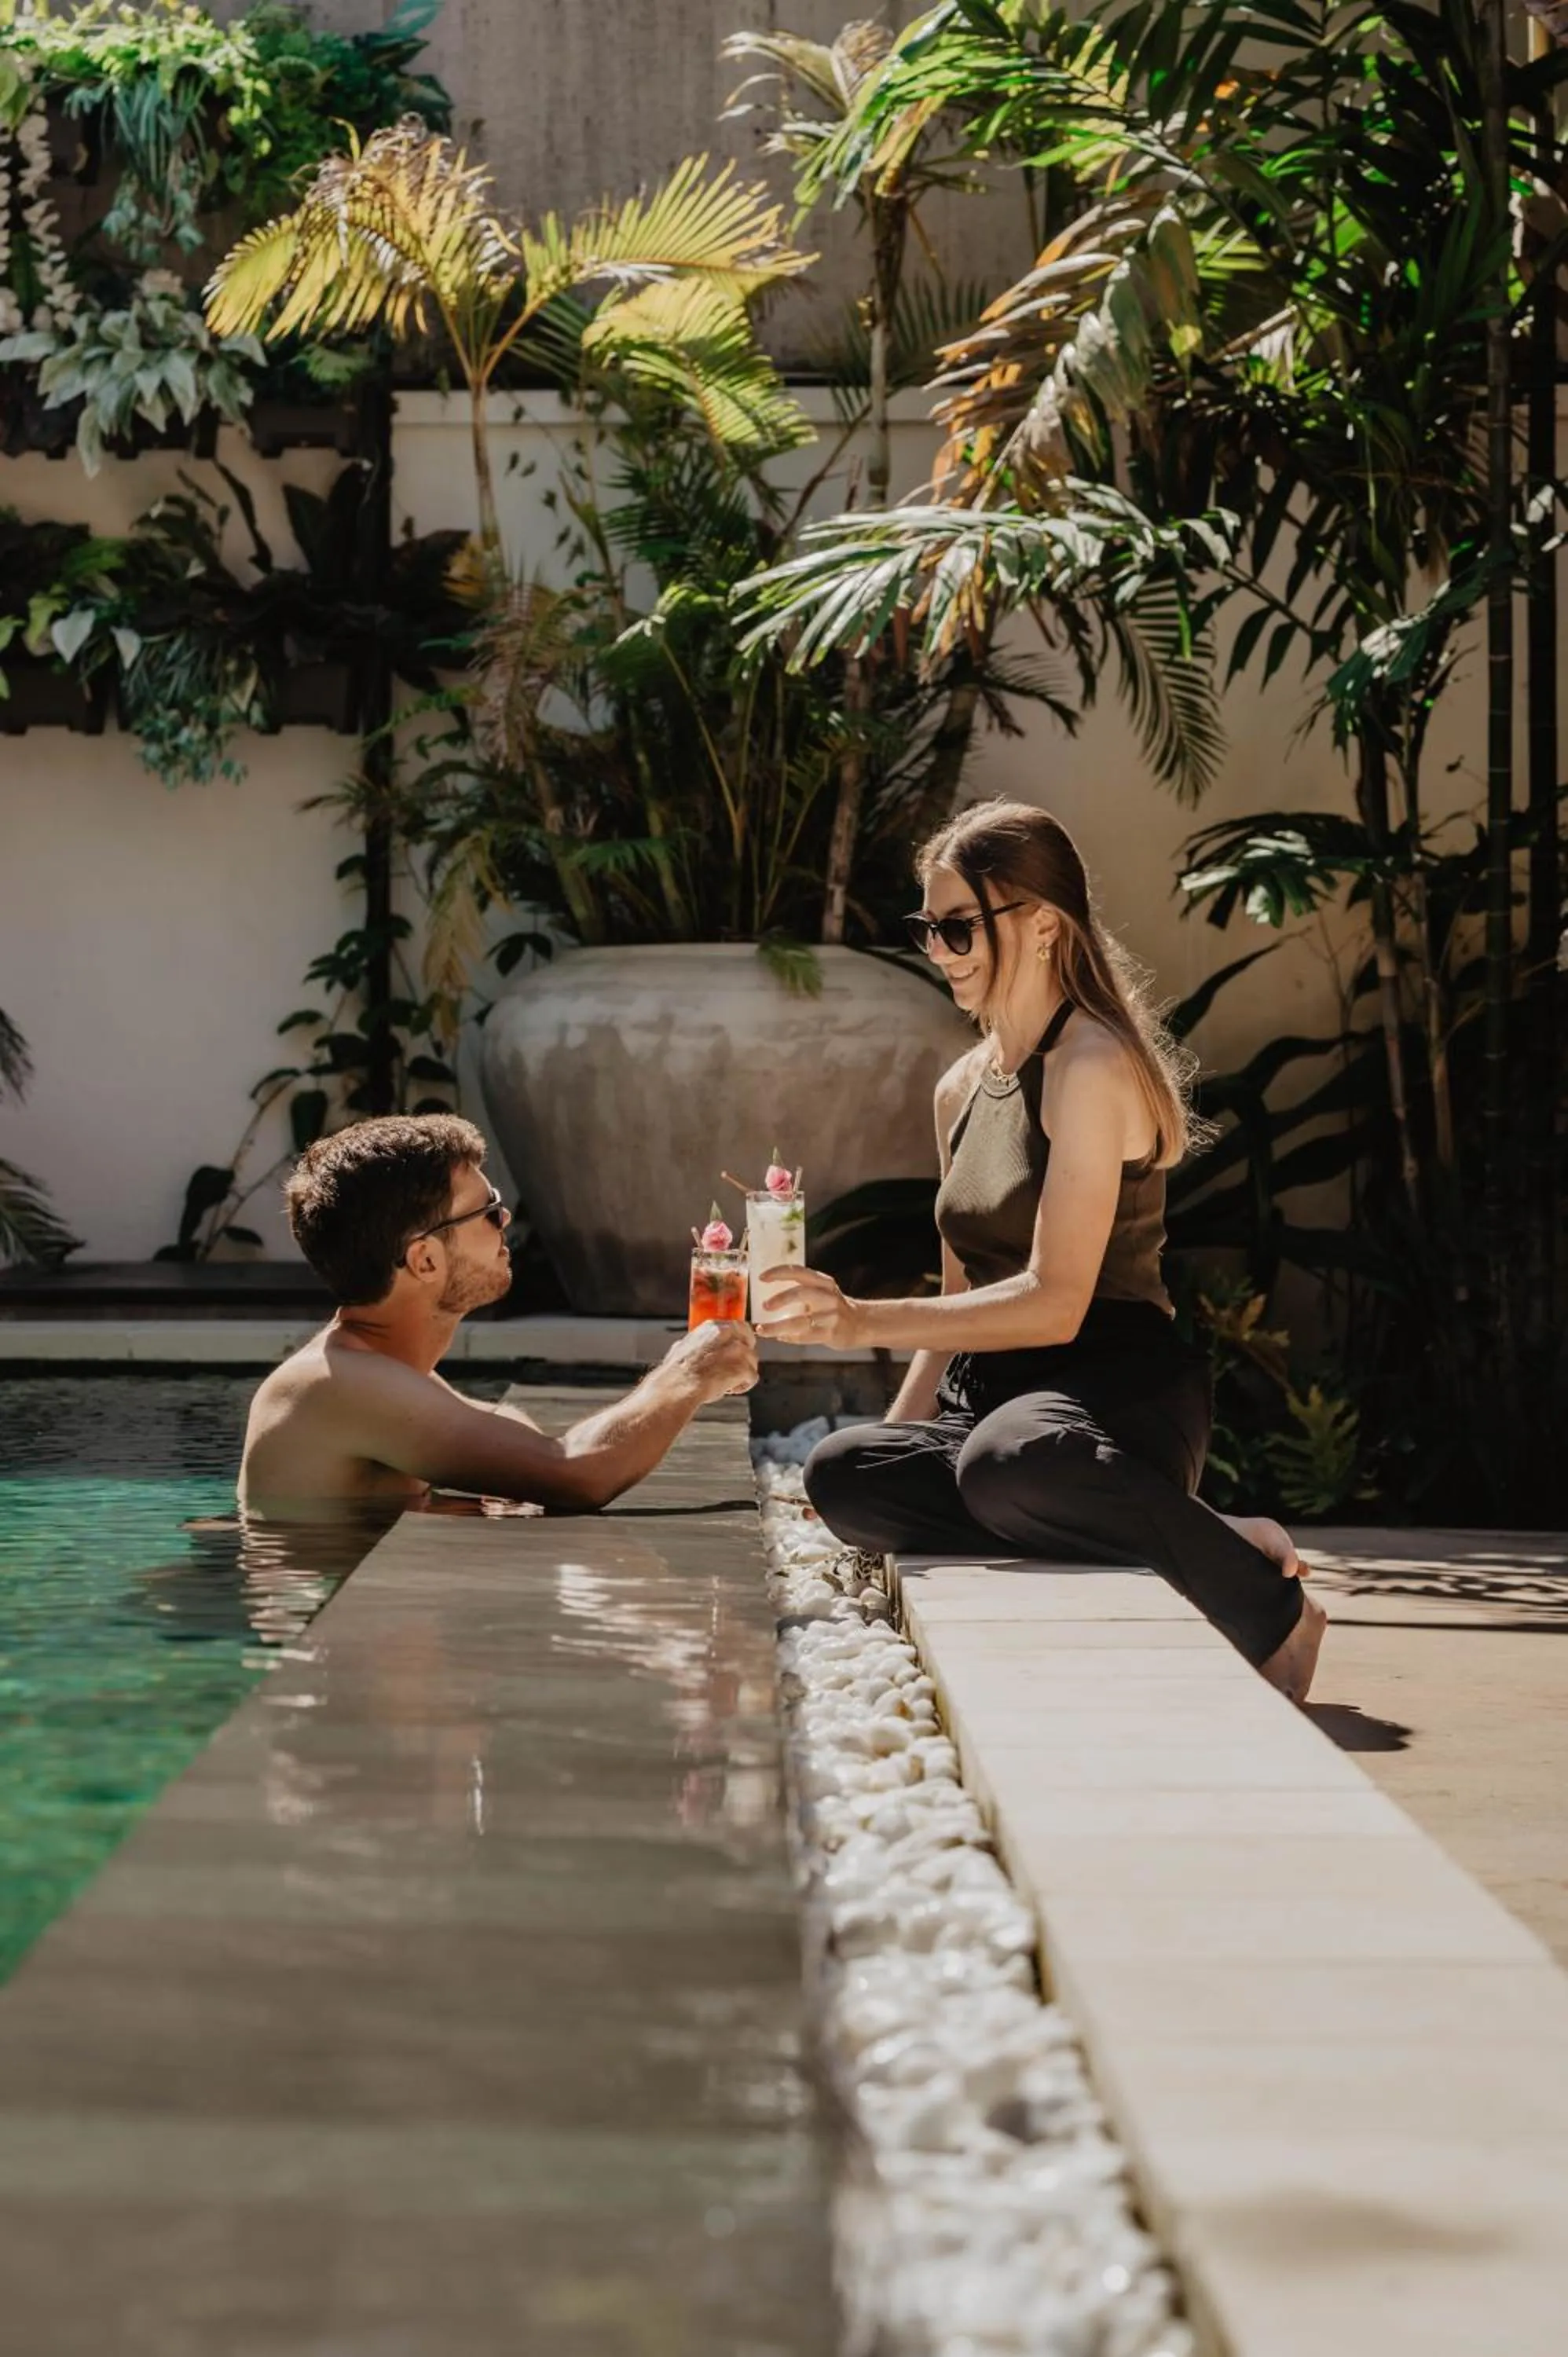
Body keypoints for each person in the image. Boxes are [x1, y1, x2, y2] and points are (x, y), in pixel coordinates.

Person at [760, 800, 1326, 1704]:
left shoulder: (1091, 1066)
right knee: (845, 1474)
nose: (938, 952)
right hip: (994, 1404)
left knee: (1011, 1464)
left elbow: (1057, 1299)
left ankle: (1270, 1610)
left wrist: (856, 1316)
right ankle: (1173, 1521)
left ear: (1043, 926)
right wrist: (904, 1430)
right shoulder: (959, 1088)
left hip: (1114, 1389)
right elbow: (955, 1304)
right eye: (927, 929)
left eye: (957, 928)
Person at [240, 1113, 756, 1519]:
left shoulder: (371, 1371)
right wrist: (686, 1374)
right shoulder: (338, 1383)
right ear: (424, 1260)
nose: (505, 1220)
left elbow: (507, 1434)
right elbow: (576, 1473)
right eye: (488, 1212)